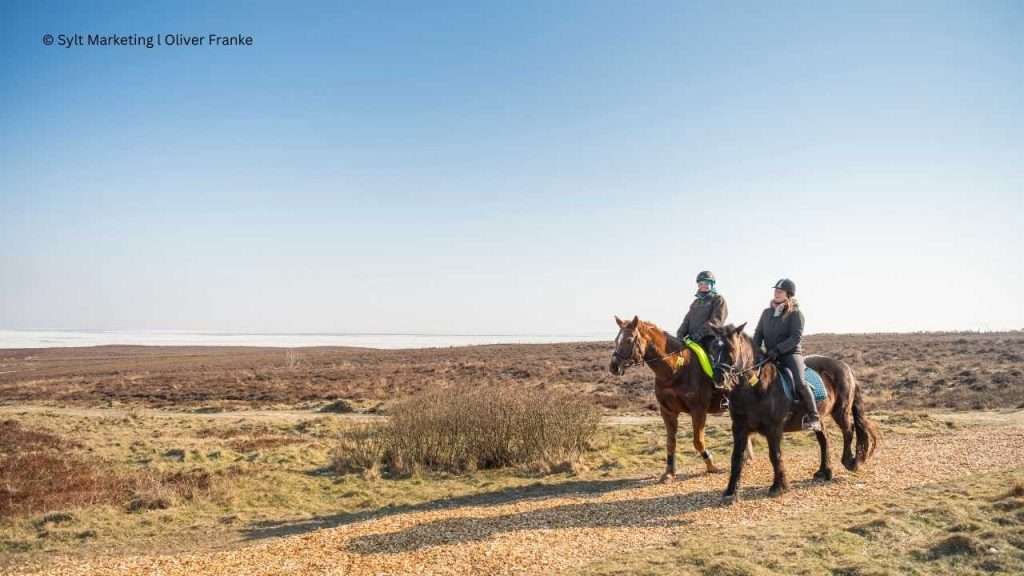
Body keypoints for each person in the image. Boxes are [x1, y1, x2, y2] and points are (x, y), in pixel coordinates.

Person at [753, 278, 821, 431]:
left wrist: (777, 350)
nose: (776, 293)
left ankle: (814, 417)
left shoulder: (796, 314)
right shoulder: (766, 313)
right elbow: (758, 333)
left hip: (790, 354)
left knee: (800, 382)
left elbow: (795, 337)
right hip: (769, 355)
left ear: (788, 294)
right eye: (775, 291)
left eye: (780, 291)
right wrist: (755, 350)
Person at [676, 270, 728, 351]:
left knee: (714, 355)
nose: (703, 285)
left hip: (709, 339)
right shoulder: (696, 302)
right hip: (692, 339)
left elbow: (716, 320)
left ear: (712, 284)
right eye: (701, 283)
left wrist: (699, 334)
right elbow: (687, 320)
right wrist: (680, 334)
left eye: (706, 283)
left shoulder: (718, 299)